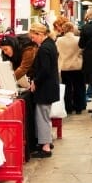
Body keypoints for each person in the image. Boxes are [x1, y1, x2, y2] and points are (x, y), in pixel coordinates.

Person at [27, 22, 60, 158]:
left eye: (33, 37)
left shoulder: (44, 49)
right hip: (50, 86)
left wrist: (35, 81)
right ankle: (47, 141)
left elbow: (44, 69)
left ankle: (45, 147)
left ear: (40, 34)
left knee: (42, 117)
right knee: (45, 116)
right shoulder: (50, 44)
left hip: (45, 88)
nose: (33, 40)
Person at [56, 21, 84, 114]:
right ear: (72, 29)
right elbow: (82, 51)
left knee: (67, 88)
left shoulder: (59, 40)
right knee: (78, 87)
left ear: (63, 30)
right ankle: (78, 107)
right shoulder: (78, 39)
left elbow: (57, 52)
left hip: (65, 67)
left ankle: (68, 108)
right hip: (77, 66)